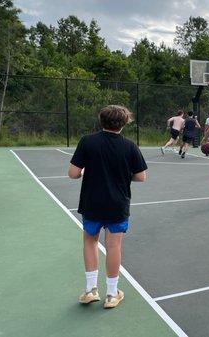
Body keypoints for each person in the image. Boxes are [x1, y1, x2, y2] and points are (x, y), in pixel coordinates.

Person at [68, 105, 147, 309]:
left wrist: (86, 172)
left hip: (91, 203)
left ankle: (90, 290)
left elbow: (73, 173)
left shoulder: (87, 141)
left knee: (90, 242)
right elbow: (141, 176)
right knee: (114, 246)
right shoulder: (130, 146)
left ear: (101, 120)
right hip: (117, 205)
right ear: (124, 123)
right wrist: (122, 175)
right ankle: (112, 294)